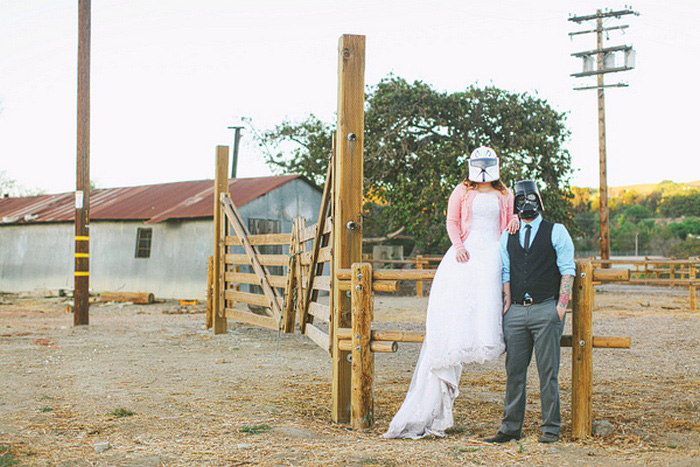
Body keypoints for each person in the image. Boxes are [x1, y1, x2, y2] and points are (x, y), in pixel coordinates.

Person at [382, 146, 519, 439]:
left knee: (486, 308)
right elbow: (452, 221)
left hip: (493, 254)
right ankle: (429, 405)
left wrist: (514, 221)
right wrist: (458, 246)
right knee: (457, 313)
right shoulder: (462, 190)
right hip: (467, 254)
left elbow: (508, 224)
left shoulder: (506, 194)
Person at [484, 180, 575, 444]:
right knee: (514, 372)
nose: (526, 204)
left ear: (539, 201)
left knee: (548, 373)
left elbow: (567, 269)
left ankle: (550, 429)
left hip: (546, 309)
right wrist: (507, 306)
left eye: (530, 198)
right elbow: (505, 271)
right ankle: (510, 428)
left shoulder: (556, 231)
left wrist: (560, 307)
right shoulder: (507, 234)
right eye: (521, 200)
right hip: (516, 314)